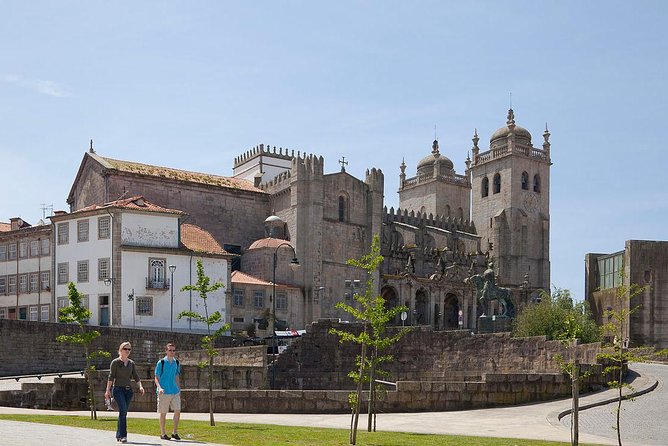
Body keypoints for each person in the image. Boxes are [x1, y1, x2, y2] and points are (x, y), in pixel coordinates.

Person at [104, 341, 145, 443]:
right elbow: (111, 377)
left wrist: (140, 386)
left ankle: (118, 434)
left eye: (129, 349)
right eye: (125, 349)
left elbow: (136, 376)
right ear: (120, 350)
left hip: (128, 391)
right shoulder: (115, 362)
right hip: (118, 390)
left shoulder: (131, 363)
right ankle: (123, 436)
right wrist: (107, 391)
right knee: (123, 412)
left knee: (123, 413)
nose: (127, 351)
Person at [154, 342, 182, 440]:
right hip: (164, 391)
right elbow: (156, 377)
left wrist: (179, 389)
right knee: (163, 413)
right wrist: (159, 387)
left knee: (178, 411)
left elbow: (177, 376)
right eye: (170, 350)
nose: (172, 352)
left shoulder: (176, 363)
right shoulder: (161, 362)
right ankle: (163, 433)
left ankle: (174, 432)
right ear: (166, 351)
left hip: (174, 391)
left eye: (173, 350)